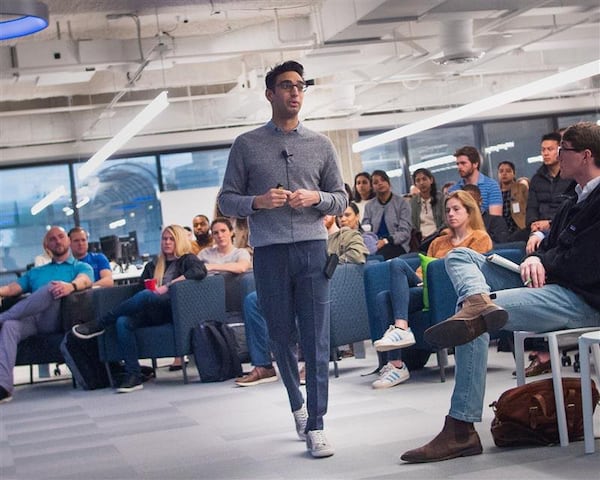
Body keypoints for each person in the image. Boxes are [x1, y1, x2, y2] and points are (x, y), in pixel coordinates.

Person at [401, 122, 600, 464]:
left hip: (579, 297)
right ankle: (477, 301)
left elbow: (583, 262)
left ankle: (461, 427)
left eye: (562, 150)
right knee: (461, 256)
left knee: (473, 316)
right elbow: (552, 247)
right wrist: (538, 250)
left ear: (585, 155)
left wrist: (541, 256)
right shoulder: (575, 197)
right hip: (549, 283)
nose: (552, 156)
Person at [218, 60, 346, 458]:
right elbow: (225, 200)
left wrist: (317, 199)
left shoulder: (322, 145)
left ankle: (319, 423)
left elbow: (341, 199)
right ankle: (297, 405)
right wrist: (256, 201)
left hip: (311, 248)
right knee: (280, 336)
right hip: (270, 253)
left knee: (316, 337)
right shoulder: (247, 144)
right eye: (287, 86)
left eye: (301, 86)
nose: (295, 92)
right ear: (270, 94)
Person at [370, 191, 493, 389]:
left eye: (456, 209)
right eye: (447, 210)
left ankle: (401, 332)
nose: (451, 214)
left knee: (392, 284)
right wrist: (424, 279)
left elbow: (475, 270)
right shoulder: (439, 241)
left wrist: (435, 274)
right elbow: (420, 271)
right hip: (427, 287)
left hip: (450, 291)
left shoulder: (479, 238)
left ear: (470, 212)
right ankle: (396, 362)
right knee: (390, 280)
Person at [236, 214, 369, 388]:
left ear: (333, 214)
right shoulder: (303, 237)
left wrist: (326, 266)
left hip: (322, 286)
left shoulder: (347, 235)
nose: (319, 216)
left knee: (307, 297)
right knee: (253, 300)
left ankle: (311, 363)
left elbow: (358, 256)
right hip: (293, 282)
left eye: (323, 212)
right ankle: (263, 366)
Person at [72, 225, 207, 393]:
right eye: (164, 239)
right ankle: (133, 375)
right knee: (123, 321)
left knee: (147, 296)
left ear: (179, 240)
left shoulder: (187, 259)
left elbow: (199, 272)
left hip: (175, 311)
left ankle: (100, 323)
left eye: (171, 239)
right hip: (152, 311)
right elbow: (139, 292)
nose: (167, 242)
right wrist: (150, 291)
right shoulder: (153, 265)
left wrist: (167, 287)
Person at [0, 226, 94, 403]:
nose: (57, 241)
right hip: (32, 320)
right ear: (46, 245)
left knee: (52, 287)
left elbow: (85, 280)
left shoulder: (80, 266)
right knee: (10, 326)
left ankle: (2, 317)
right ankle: (3, 387)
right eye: (52, 239)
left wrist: (70, 286)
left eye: (60, 237)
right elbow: (12, 289)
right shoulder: (36, 272)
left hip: (58, 318)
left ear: (67, 240)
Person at [525, 132, 576, 253]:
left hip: (561, 225)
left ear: (560, 150)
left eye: (550, 149)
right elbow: (531, 207)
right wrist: (534, 224)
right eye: (543, 150)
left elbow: (571, 208)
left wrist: (550, 223)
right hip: (537, 227)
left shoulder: (571, 177)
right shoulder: (536, 179)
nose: (546, 153)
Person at [362, 170, 411, 260]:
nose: (380, 183)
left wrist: (386, 241)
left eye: (383, 180)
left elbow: (405, 232)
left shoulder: (402, 203)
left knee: (379, 257)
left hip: (396, 244)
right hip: (374, 244)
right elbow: (365, 228)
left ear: (389, 183)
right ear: (372, 187)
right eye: (376, 182)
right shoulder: (369, 206)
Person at [448, 146, 503, 216]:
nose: (459, 167)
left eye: (463, 163)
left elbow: (495, 219)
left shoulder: (491, 186)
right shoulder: (453, 190)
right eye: (457, 164)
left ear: (475, 164)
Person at [409, 168, 445, 246]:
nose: (421, 183)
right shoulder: (413, 202)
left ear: (431, 180)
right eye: (418, 181)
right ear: (415, 184)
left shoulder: (442, 198)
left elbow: (445, 222)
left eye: (424, 179)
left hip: (439, 238)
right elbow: (412, 225)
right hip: (420, 241)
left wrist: (435, 236)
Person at [496, 161, 528, 240]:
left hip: (519, 227)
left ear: (514, 173)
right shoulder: (495, 192)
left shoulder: (521, 188)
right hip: (500, 229)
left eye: (508, 171)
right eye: (501, 171)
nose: (504, 173)